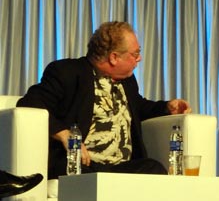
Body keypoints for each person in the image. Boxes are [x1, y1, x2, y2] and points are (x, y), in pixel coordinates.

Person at [17, 21, 191, 179]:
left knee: (154, 168)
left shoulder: (127, 80)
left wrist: (167, 107)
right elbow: (30, 103)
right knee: (75, 172)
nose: (139, 59)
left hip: (121, 168)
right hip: (84, 164)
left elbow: (139, 106)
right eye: (135, 53)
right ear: (114, 57)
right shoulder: (67, 72)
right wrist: (64, 134)